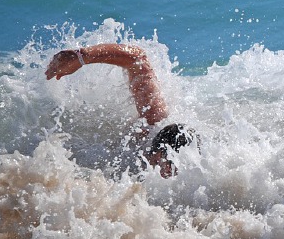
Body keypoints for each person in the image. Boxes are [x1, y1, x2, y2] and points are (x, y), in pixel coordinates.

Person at [45, 43, 197, 178]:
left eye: (173, 172)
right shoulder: (153, 122)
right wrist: (82, 56)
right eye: (164, 166)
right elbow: (137, 58)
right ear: (158, 153)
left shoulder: (198, 176)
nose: (167, 174)